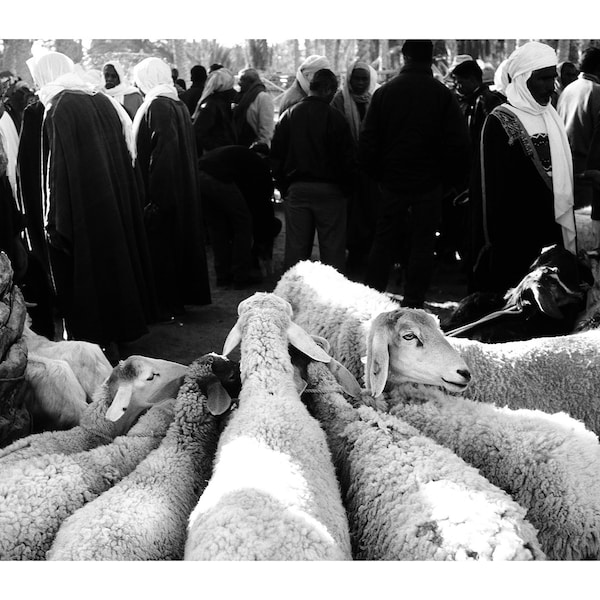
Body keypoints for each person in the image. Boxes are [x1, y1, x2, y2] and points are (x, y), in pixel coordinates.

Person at [26, 51, 158, 358]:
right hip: (110, 202)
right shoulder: (100, 99)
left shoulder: (58, 107)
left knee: (87, 276)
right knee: (113, 267)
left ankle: (95, 341)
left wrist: (54, 221)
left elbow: (56, 171)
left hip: (83, 208)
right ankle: (119, 331)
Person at [358, 40, 470, 307]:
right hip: (429, 184)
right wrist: (448, 182)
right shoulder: (442, 95)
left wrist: (378, 177)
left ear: (404, 58)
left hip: (393, 182)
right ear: (431, 59)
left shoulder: (385, 93)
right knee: (423, 243)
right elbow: (459, 144)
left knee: (384, 239)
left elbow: (368, 141)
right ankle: (414, 302)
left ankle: (371, 298)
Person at [470, 41, 577, 294]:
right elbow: (488, 191)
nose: (551, 87)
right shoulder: (499, 120)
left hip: (551, 230)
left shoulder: (551, 115)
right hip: (514, 238)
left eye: (553, 78)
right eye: (543, 79)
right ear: (523, 78)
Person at [132, 57, 211, 318]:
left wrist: (155, 199)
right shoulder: (173, 103)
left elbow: (162, 155)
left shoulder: (158, 105)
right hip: (177, 191)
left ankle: (166, 308)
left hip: (163, 194)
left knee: (163, 251)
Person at [271, 68, 356, 273]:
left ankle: (292, 299)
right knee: (333, 252)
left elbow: (276, 157)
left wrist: (285, 188)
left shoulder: (288, 116)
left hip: (297, 189)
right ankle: (333, 301)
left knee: (296, 254)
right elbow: (348, 160)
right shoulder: (336, 118)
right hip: (331, 191)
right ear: (328, 90)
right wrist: (346, 190)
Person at [198, 145, 279, 288]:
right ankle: (240, 275)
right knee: (243, 224)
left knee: (217, 227)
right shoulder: (260, 167)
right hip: (218, 176)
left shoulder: (242, 157)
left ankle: (222, 276)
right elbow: (263, 205)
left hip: (199, 173)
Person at [330, 60, 380, 279]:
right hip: (347, 170)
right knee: (350, 219)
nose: (359, 83)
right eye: (356, 78)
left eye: (364, 79)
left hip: (369, 170)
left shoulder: (374, 100)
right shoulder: (339, 101)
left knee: (369, 216)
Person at [557, 46, 600, 225]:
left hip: (566, 173)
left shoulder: (567, 90)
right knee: (587, 235)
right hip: (588, 178)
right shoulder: (596, 91)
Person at [191, 67, 237, 155]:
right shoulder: (211, 104)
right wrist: (216, 148)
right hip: (217, 155)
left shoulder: (225, 101)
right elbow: (199, 131)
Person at [232, 68, 275, 148]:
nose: (239, 83)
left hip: (255, 147)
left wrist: (261, 146)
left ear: (250, 81)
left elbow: (266, 128)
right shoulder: (241, 97)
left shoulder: (263, 98)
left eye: (242, 80)